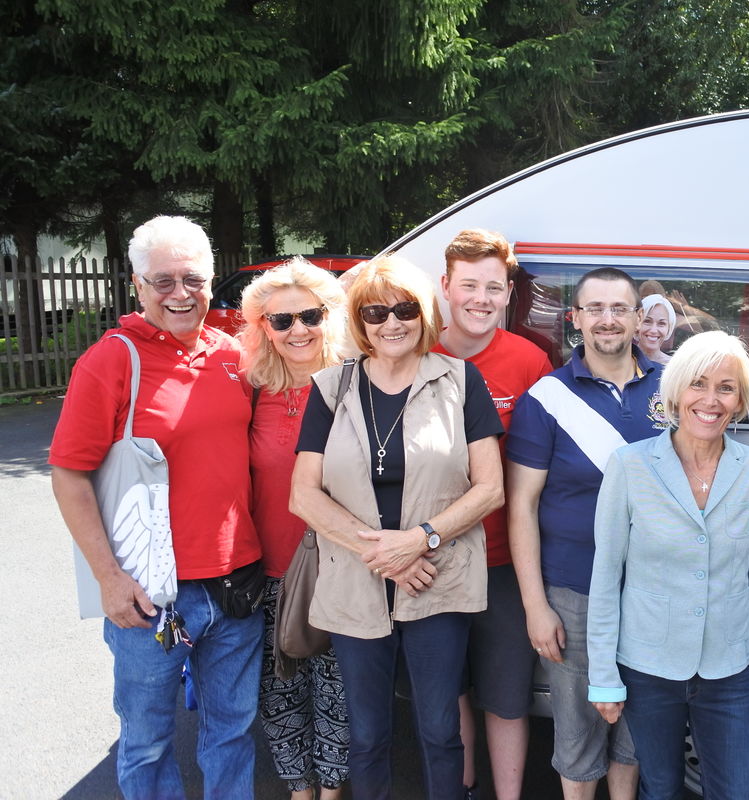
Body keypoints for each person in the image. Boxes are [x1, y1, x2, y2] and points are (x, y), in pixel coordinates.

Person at [49, 215, 263, 800]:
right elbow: (69, 478)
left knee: (232, 733)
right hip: (148, 594)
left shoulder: (233, 356)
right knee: (146, 740)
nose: (179, 294)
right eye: (162, 280)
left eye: (192, 278)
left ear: (211, 279)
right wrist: (109, 580)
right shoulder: (113, 361)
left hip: (237, 585)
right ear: (137, 286)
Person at [290, 255, 504, 800]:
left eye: (404, 308)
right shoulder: (330, 387)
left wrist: (418, 540)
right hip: (355, 580)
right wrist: (384, 553)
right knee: (366, 735)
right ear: (358, 322)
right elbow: (303, 494)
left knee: (439, 729)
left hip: (437, 577)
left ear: (424, 313)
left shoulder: (459, 379)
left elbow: (490, 488)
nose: (392, 322)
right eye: (375, 311)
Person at [586, 330, 749, 800]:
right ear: (676, 391)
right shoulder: (630, 466)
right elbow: (606, 577)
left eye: (726, 387)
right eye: (699, 383)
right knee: (660, 789)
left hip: (732, 668)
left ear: (740, 400)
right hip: (648, 665)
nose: (711, 400)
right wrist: (603, 677)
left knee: (737, 791)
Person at [507, 267, 669, 800]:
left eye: (618, 308)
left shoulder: (672, 389)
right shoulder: (545, 399)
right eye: (594, 308)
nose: (606, 319)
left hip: (652, 591)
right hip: (574, 591)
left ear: (637, 317)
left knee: (635, 731)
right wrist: (536, 606)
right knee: (578, 734)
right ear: (575, 319)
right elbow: (522, 506)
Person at [431, 229, 552, 800]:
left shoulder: (529, 362)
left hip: (505, 561)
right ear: (446, 287)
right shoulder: (417, 352)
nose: (481, 299)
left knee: (506, 697)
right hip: (433, 560)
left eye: (494, 288)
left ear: (508, 296)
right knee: (447, 691)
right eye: (470, 285)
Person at [239, 259, 350, 800]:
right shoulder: (251, 392)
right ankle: (299, 791)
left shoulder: (358, 384)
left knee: (339, 691)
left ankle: (331, 792)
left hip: (342, 569)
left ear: (330, 316)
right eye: (281, 321)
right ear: (263, 328)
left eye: (310, 315)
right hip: (270, 571)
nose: (298, 330)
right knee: (279, 691)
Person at [636, 293, 676, 365]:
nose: (653, 330)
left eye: (661, 323)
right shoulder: (620, 362)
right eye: (647, 321)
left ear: (669, 328)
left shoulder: (674, 366)